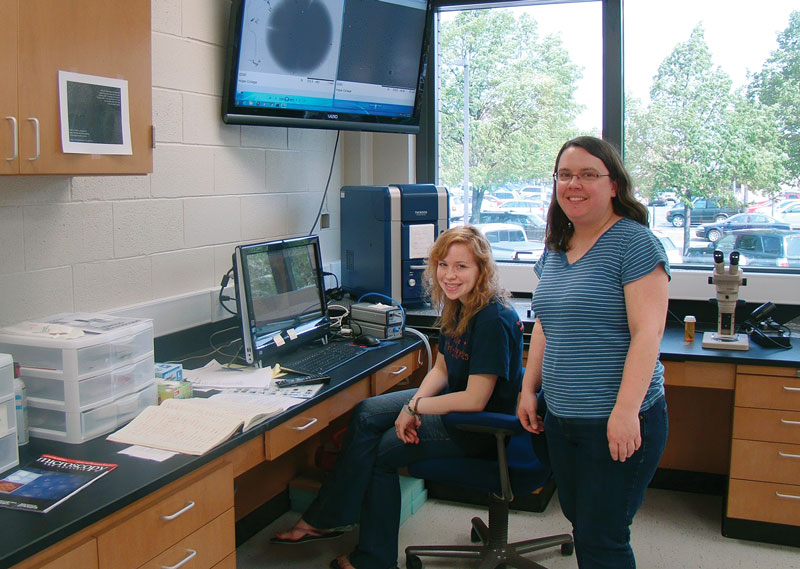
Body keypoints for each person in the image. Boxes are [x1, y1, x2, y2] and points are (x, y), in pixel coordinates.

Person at [272, 225, 525, 569]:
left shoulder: (493, 318)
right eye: (444, 265)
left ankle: (372, 560)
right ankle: (330, 517)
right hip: (454, 405)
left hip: (477, 428)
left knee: (381, 453)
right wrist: (412, 404)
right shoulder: (458, 305)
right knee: (365, 412)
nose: (450, 275)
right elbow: (441, 370)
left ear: (481, 270)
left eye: (462, 267)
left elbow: (475, 400)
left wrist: (414, 407)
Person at [517, 136, 670, 569]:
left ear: (614, 185)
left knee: (602, 539)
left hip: (618, 419)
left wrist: (625, 412)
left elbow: (647, 335)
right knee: (582, 522)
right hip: (562, 418)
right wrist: (530, 388)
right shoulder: (555, 247)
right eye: (565, 175)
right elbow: (545, 322)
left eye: (588, 174)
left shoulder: (634, 244)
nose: (574, 184)